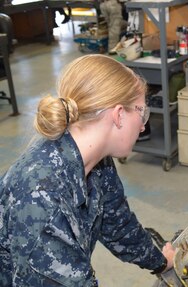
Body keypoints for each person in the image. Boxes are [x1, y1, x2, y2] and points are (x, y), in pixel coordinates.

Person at [0, 54, 175, 286]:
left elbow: (117, 225)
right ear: (119, 115)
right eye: (141, 112)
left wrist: (162, 262)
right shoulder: (42, 201)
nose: (143, 125)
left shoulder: (95, 157)